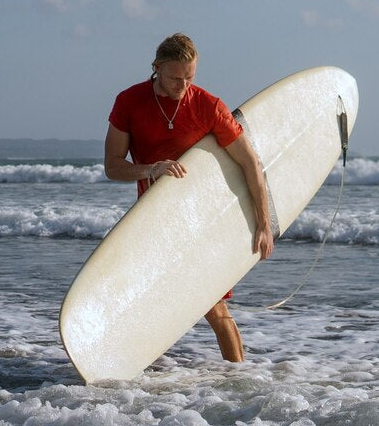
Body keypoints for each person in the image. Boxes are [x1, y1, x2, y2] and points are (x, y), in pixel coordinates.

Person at [102, 32, 274, 363]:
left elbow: (249, 162)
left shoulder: (208, 106)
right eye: (175, 78)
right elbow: (113, 166)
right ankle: (127, 382)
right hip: (154, 223)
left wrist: (264, 224)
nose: (183, 85)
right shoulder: (129, 102)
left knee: (213, 305)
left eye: (190, 77)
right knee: (150, 305)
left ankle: (239, 382)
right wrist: (151, 169)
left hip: (202, 223)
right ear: (156, 68)